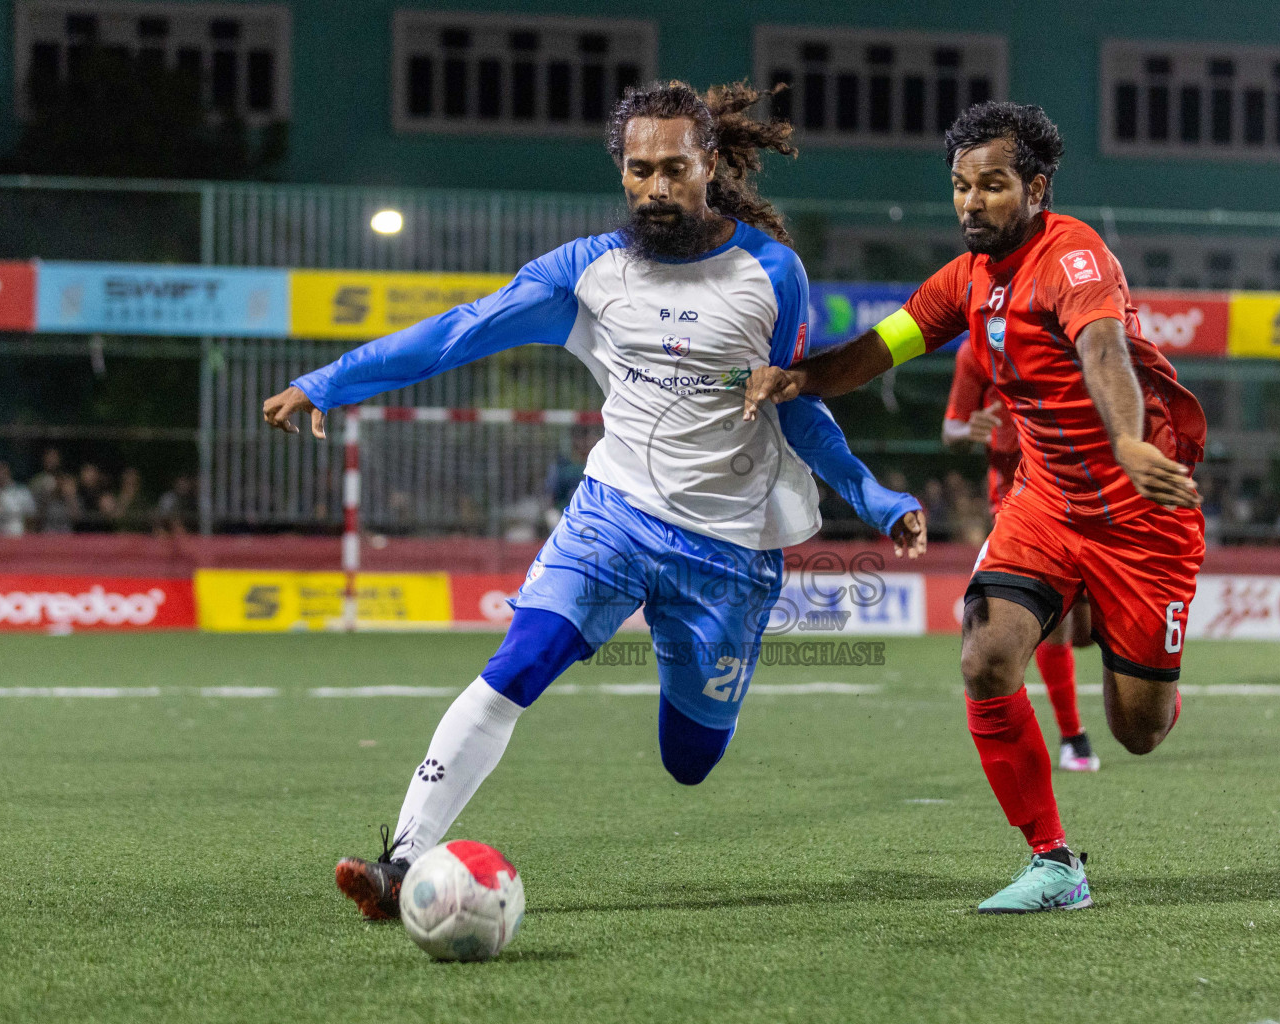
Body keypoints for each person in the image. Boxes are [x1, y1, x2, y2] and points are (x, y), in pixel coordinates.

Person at [260, 80, 927, 921]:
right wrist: (327, 381)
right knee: (515, 667)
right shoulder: (586, 272)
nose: (655, 188)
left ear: (710, 165)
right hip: (613, 514)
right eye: (638, 169)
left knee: (690, 758)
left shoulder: (772, 272)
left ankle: (676, 654)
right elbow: (458, 331)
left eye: (674, 169)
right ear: (621, 172)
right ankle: (402, 861)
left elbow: (798, 401)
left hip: (726, 550)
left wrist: (873, 494)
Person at [744, 101, 1207, 913]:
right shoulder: (968, 280)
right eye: (960, 186)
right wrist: (802, 379)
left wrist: (1130, 441)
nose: (970, 203)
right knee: (984, 656)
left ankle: (1144, 666)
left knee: (1137, 730)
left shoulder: (1074, 257)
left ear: (1036, 187)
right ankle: (1055, 862)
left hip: (1141, 514)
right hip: (1047, 505)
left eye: (991, 186)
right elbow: (885, 344)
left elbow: (1102, 350)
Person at [943, 340, 1099, 773]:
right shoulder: (975, 351)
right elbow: (950, 429)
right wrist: (968, 428)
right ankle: (1073, 736)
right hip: (1016, 500)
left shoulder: (1070, 338)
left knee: (1085, 631)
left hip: (1081, 493)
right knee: (1058, 625)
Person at [0, 460, 36, 536]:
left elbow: (31, 517)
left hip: (15, 533)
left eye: (1, 469)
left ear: (8, 471)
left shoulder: (21, 491)